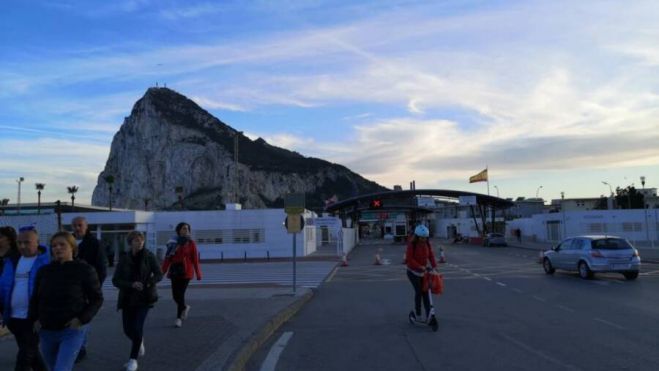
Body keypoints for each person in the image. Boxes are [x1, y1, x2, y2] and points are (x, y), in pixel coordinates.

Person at [29, 231, 103, 371]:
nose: (57, 248)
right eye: (54, 245)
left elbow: (97, 299)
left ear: (72, 248)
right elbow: (35, 298)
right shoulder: (44, 271)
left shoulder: (84, 270)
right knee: (51, 367)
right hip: (46, 330)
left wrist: (81, 319)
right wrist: (35, 318)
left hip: (71, 330)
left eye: (62, 244)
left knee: (62, 368)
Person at [0, 226, 49, 371]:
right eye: (19, 242)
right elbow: (4, 286)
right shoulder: (13, 260)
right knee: (31, 354)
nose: (22, 246)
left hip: (33, 318)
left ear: (37, 242)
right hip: (14, 317)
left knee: (25, 358)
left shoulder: (45, 261)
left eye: (27, 242)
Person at [112, 231, 163, 371]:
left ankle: (133, 360)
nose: (139, 242)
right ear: (130, 242)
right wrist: (131, 284)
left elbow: (159, 274)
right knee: (127, 329)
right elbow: (115, 280)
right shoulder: (124, 259)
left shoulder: (149, 256)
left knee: (137, 327)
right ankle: (139, 341)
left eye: (141, 240)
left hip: (144, 297)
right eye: (136, 240)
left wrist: (148, 283)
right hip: (127, 299)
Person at [71, 216, 107, 362]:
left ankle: (81, 347)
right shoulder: (69, 242)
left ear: (86, 226)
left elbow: (101, 268)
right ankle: (75, 345)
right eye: (74, 225)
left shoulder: (94, 244)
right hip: (70, 287)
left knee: (84, 316)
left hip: (87, 288)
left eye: (80, 225)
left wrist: (95, 288)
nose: (77, 228)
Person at [161, 222, 202, 328]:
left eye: (187, 229)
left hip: (186, 272)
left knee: (180, 294)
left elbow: (195, 259)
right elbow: (167, 258)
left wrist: (198, 273)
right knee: (175, 295)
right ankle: (185, 307)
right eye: (184, 228)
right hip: (174, 271)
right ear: (178, 230)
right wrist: (162, 272)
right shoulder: (172, 242)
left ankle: (178, 318)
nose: (186, 230)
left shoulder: (191, 243)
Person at [405, 225, 438, 321]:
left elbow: (431, 255)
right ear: (417, 236)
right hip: (412, 272)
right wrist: (420, 266)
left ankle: (429, 315)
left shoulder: (427, 244)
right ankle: (418, 313)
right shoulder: (412, 245)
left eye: (425, 237)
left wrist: (435, 267)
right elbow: (409, 259)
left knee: (426, 293)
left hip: (423, 272)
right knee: (419, 292)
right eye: (422, 237)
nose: (424, 239)